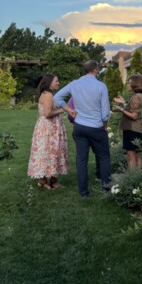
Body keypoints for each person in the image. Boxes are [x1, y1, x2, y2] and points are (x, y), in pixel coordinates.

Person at [54, 60, 111, 197]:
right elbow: (105, 112)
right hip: (96, 127)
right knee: (103, 158)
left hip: (79, 127)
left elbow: (57, 97)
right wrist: (104, 126)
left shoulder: (75, 84)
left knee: (81, 159)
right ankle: (107, 189)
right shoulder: (101, 86)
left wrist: (69, 109)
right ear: (96, 69)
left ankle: (83, 192)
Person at [28, 73, 71, 190]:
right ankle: (45, 180)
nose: (58, 83)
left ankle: (50, 180)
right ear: (49, 82)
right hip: (49, 127)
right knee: (49, 151)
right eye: (56, 81)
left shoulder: (47, 94)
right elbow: (47, 114)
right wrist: (62, 110)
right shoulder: (48, 95)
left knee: (50, 152)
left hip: (48, 127)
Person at [113, 74, 142, 170]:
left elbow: (134, 116)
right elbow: (135, 111)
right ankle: (138, 178)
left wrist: (120, 109)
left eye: (129, 83)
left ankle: (133, 178)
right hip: (137, 129)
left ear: (135, 84)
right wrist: (124, 103)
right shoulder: (138, 96)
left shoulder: (136, 97)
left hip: (132, 129)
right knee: (138, 155)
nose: (127, 84)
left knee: (131, 156)